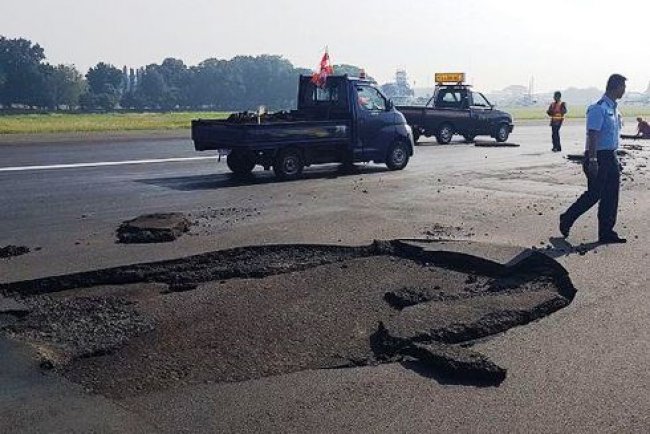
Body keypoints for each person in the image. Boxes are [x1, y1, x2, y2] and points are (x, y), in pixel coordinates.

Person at [559, 74, 627, 244]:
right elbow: (593, 134)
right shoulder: (599, 108)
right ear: (615, 86)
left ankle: (606, 232)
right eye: (622, 87)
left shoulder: (614, 109)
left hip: (610, 156)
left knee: (611, 196)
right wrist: (593, 159)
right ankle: (567, 218)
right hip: (599, 156)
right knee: (594, 194)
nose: (624, 91)